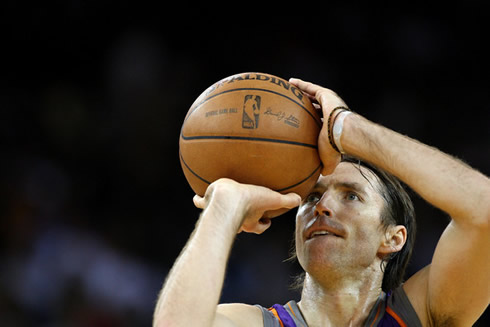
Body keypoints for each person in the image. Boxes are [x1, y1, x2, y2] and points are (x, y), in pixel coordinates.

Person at [153, 79, 490, 326]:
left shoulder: (422, 314)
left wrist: (346, 128)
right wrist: (224, 207)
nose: (322, 207)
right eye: (312, 197)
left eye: (351, 196)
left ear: (393, 238)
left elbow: (484, 208)